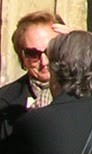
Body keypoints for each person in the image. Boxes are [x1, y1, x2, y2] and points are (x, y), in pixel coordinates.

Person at [0, 9, 66, 141]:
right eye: (33, 54)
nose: (44, 61)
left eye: (51, 51)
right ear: (22, 56)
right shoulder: (4, 101)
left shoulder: (86, 93)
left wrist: (83, 52)